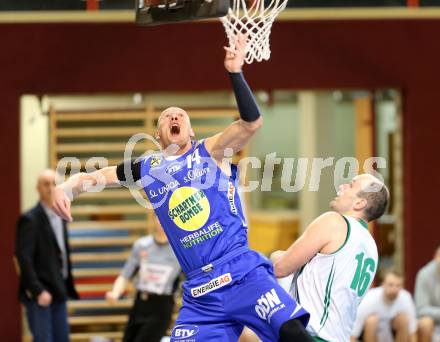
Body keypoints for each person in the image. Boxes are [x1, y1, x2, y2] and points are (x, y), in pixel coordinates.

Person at [51, 34, 312, 342]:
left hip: (242, 271)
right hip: (201, 291)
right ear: (158, 135)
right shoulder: (146, 168)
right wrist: (68, 186)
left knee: (291, 331)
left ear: (191, 130)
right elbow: (97, 176)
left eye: (181, 115)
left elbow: (251, 123)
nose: (173, 116)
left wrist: (235, 73)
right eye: (166, 117)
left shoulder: (210, 150)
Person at [271, 174, 389, 342]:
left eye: (351, 185)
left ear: (359, 203)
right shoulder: (371, 247)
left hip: (310, 335)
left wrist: (276, 255)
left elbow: (280, 268)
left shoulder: (334, 222)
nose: (342, 186)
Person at [15, 169, 79, 342]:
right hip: (41, 296)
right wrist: (38, 291)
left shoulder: (60, 214)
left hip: (59, 290)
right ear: (38, 188)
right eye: (46, 184)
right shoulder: (30, 219)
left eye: (54, 183)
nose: (51, 188)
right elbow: (23, 259)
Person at [106, 216, 181, 342]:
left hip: (162, 305)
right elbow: (126, 274)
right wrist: (115, 292)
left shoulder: (179, 250)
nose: (161, 222)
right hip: (140, 303)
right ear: (154, 220)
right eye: (159, 218)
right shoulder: (142, 245)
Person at [351, 269, 417, 342]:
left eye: (398, 285)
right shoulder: (369, 299)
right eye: (390, 285)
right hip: (370, 335)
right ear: (383, 284)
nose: (394, 289)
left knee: (403, 319)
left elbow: (412, 332)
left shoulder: (405, 298)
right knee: (372, 321)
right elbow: (353, 335)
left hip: (393, 335)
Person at [414, 245, 440, 342]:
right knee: (425, 323)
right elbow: (421, 309)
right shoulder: (424, 275)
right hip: (432, 321)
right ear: (436, 257)